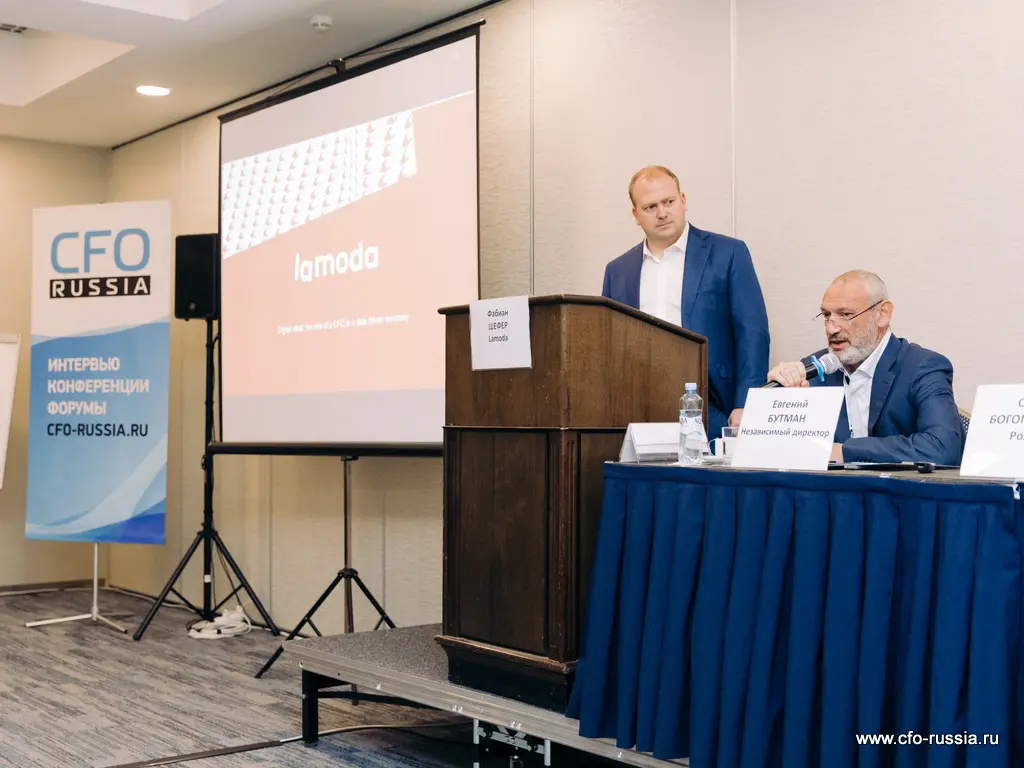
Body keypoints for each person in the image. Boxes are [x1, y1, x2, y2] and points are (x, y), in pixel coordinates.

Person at [601, 166, 770, 440]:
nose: (662, 213)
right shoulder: (617, 271)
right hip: (639, 408)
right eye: (650, 207)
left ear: (683, 200)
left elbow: (752, 334)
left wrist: (747, 404)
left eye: (668, 202)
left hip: (715, 405)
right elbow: (609, 347)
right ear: (635, 215)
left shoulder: (728, 253)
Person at [766, 270, 964, 465]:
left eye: (845, 314)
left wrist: (846, 451)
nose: (831, 328)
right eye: (826, 315)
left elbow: (943, 448)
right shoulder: (814, 370)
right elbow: (783, 451)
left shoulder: (923, 367)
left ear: (882, 314)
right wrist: (776, 401)